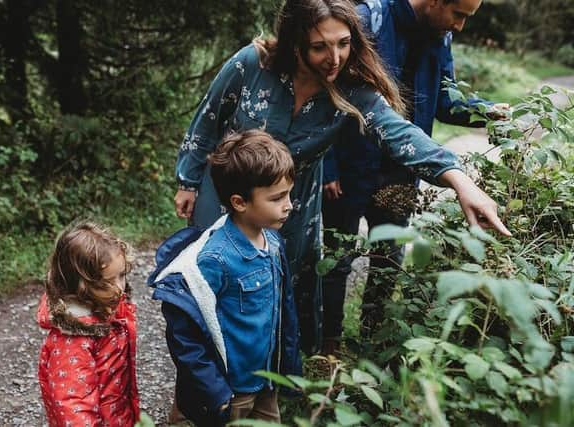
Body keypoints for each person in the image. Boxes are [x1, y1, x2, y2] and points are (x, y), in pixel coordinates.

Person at [173, 0, 510, 354]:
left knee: (271, 294)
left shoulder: (351, 90)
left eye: (343, 43)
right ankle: (197, 386)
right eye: (320, 46)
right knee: (209, 284)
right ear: (295, 42)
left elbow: (401, 135)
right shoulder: (252, 64)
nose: (334, 57)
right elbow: (208, 120)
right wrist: (188, 181)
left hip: (291, 206)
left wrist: (460, 180)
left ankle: (262, 385)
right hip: (226, 194)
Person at [320, 0, 510, 353]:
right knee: (337, 258)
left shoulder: (441, 36)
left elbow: (445, 102)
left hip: (404, 171)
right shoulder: (366, 20)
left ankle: (372, 343)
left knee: (388, 258)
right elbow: (326, 89)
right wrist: (326, 164)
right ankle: (327, 348)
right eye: (459, 14)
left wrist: (489, 113)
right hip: (348, 167)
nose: (461, 26)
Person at [149, 130, 302, 426]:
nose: (289, 205)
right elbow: (186, 334)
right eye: (277, 198)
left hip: (265, 382)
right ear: (240, 202)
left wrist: (288, 369)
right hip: (230, 393)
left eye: (289, 194)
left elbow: (283, 312)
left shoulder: (273, 244)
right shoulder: (212, 260)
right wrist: (215, 394)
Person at [37, 222, 139, 426]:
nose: (120, 287)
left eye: (122, 275)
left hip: (116, 415)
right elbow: (73, 404)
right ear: (81, 287)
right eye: (109, 281)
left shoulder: (106, 308)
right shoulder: (72, 341)